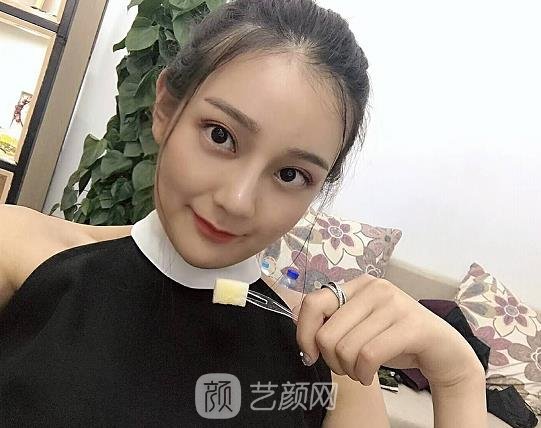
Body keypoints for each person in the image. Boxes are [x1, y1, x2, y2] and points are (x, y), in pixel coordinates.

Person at [0, 0, 487, 426]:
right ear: (166, 108)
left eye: (290, 174)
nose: (237, 201)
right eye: (221, 135)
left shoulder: (325, 361)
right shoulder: (21, 251)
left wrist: (458, 377)